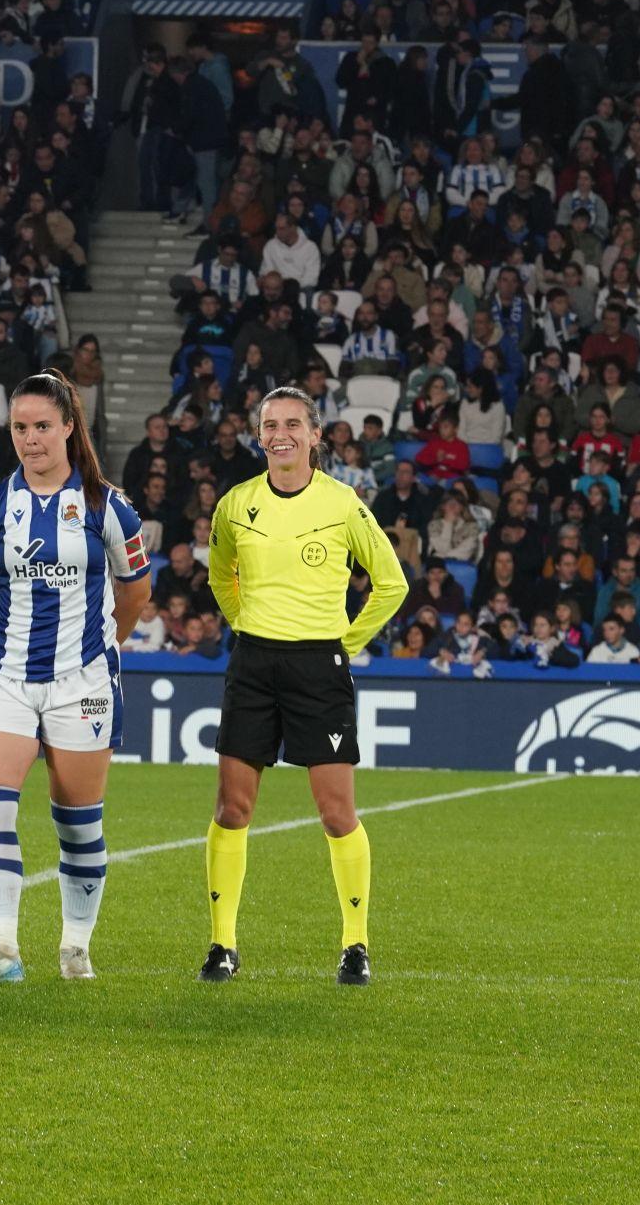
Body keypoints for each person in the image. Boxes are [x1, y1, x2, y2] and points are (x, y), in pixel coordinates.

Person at [0, 371, 152, 983]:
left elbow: (135, 592)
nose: (30, 440)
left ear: (68, 428)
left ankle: (74, 945)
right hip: (4, 673)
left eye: (41, 427)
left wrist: (100, 647)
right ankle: (1, 950)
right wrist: (3, 641)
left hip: (81, 682)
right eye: (19, 428)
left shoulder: (109, 506)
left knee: (78, 823)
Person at [201, 386, 408, 986]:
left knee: (337, 812)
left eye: (294, 423)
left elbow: (391, 584)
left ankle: (355, 945)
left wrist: (345, 643)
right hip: (254, 664)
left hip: (320, 666)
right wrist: (246, 625)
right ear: (258, 435)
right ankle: (222, 945)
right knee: (231, 808)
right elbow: (221, 577)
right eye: (270, 425)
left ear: (316, 436)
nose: (281, 434)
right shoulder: (235, 505)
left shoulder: (344, 504)